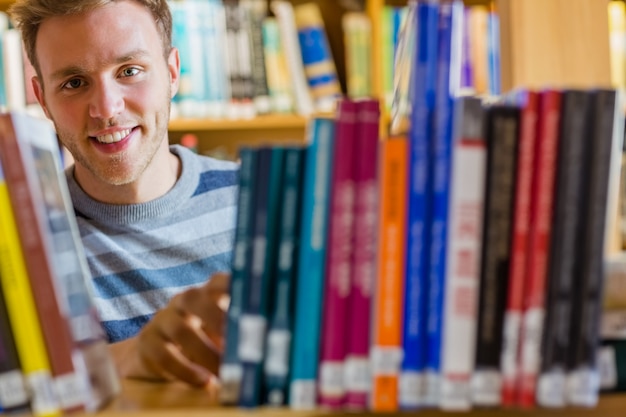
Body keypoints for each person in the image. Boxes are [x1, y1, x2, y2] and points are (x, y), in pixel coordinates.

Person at [8, 0, 238, 389]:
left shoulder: (266, 203)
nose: (106, 109)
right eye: (74, 83)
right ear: (43, 99)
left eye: (129, 71)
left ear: (171, 72)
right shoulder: (19, 240)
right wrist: (132, 355)